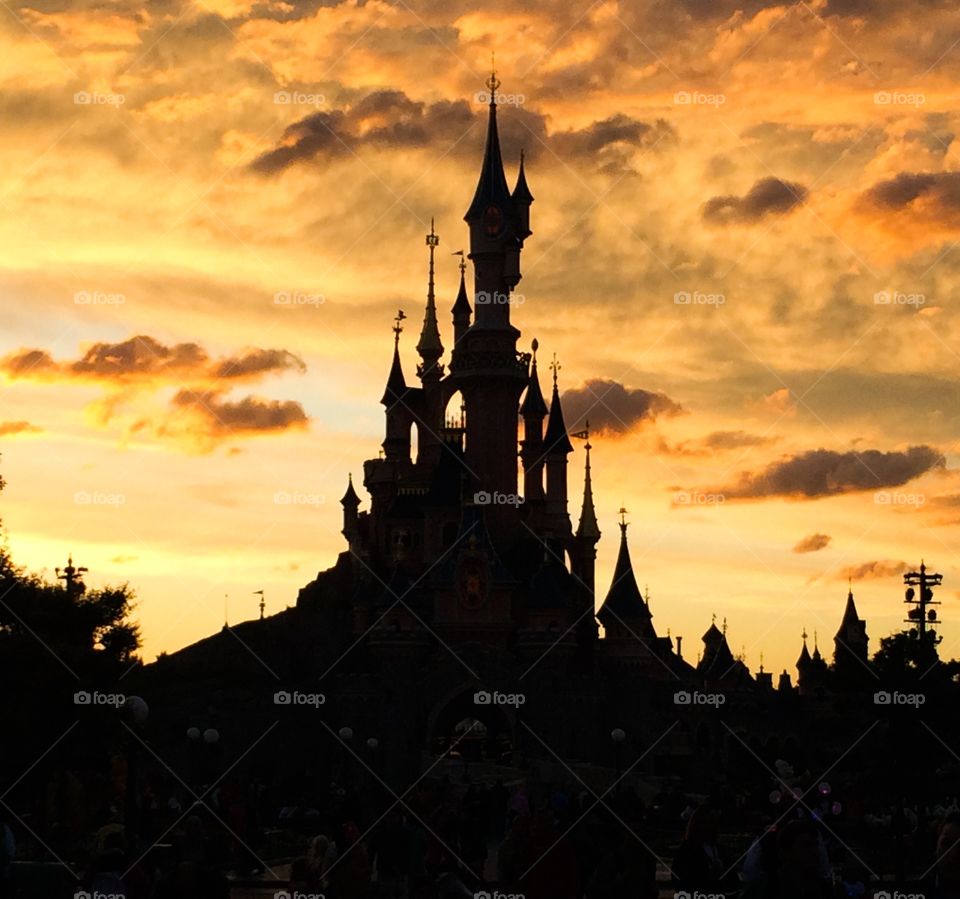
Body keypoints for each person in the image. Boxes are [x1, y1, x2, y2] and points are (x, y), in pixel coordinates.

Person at [741, 818, 836, 899]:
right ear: (785, 852)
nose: (815, 851)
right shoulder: (762, 889)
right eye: (806, 846)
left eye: (816, 845)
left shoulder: (825, 890)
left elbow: (749, 869)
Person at [671, 805, 738, 894]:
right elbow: (679, 881)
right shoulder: (687, 851)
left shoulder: (721, 850)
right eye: (703, 823)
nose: (707, 827)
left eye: (710, 823)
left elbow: (732, 879)